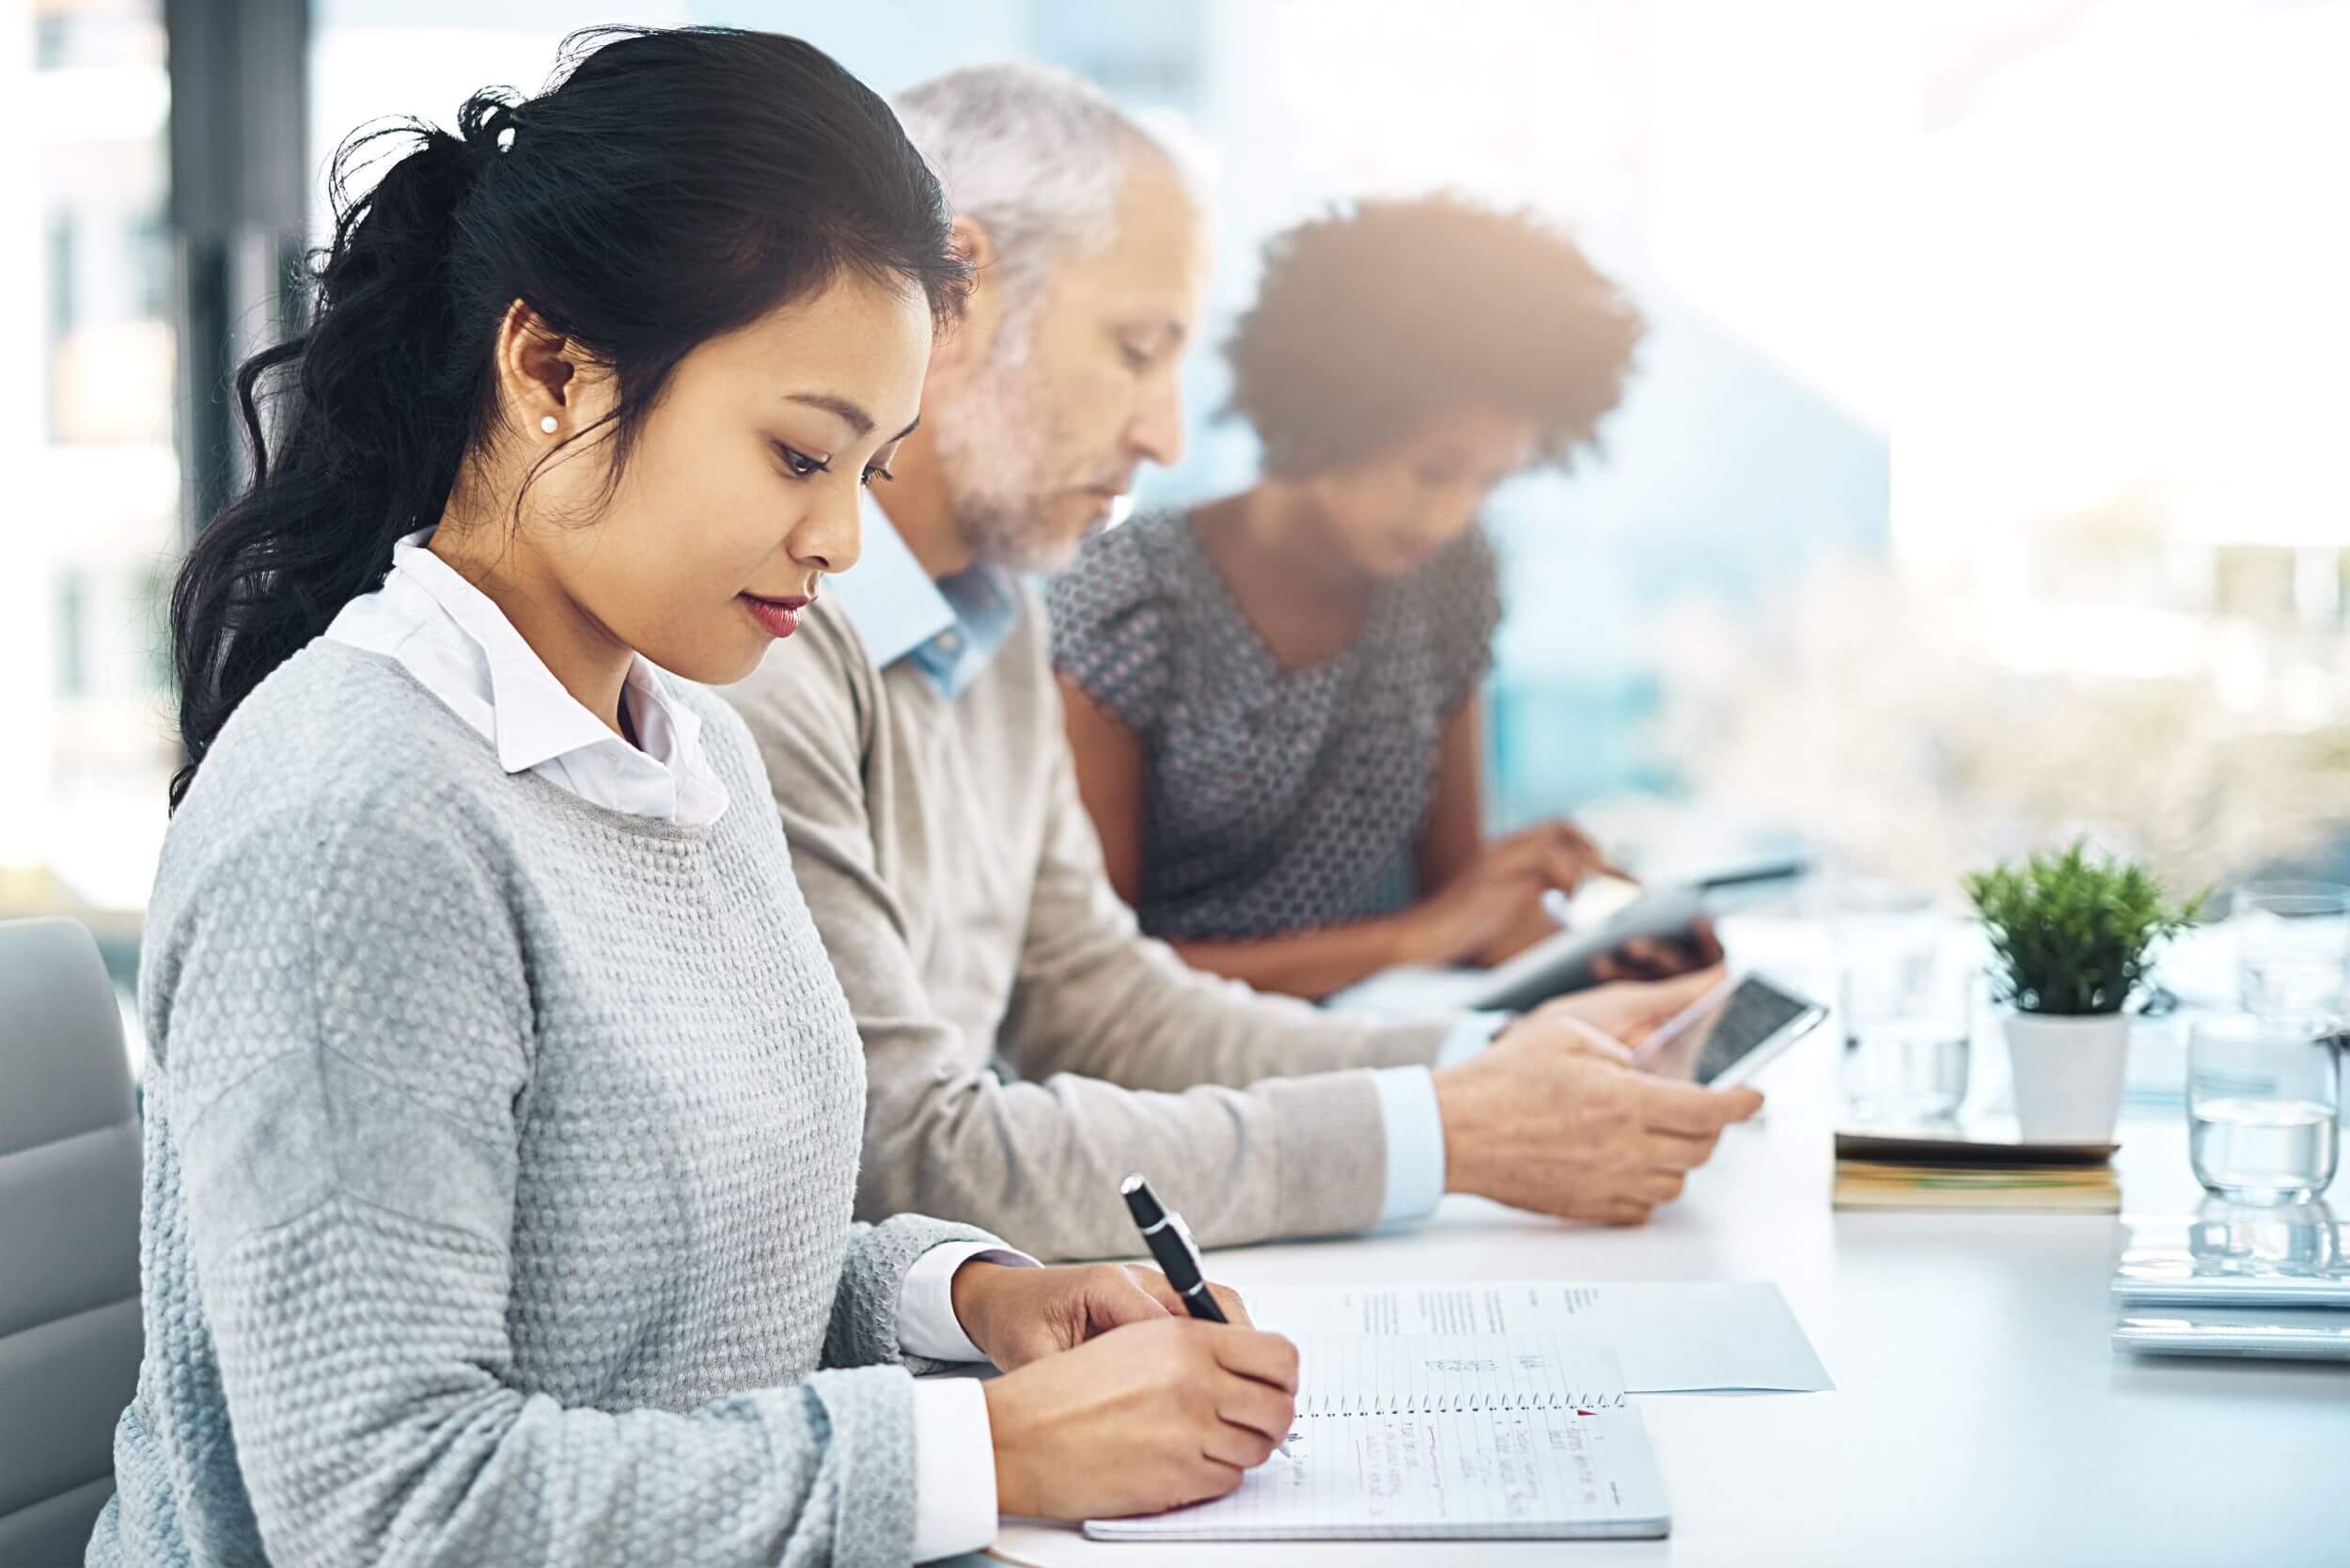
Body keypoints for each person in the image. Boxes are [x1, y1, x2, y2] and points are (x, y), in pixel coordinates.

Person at [92, 31, 1303, 1568]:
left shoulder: (689, 743)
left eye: (866, 471)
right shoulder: (361, 823)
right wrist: (988, 1450)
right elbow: (390, 1504)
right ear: (549, 368)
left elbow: (677, 1284)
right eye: (799, 451)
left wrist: (972, 1294)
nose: (839, 541)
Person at [721, 65, 1761, 1265]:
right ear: (955, 295)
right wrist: (1444, 1131)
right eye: (1134, 347)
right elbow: (893, 1147)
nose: (1165, 434)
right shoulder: (761, 648)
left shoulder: (999, 619)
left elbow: (1097, 996)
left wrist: (1494, 1065)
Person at [1050, 195, 1680, 1003]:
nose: (1452, 516)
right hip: (1182, 1089)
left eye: (1488, 481)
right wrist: (1412, 939)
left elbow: (1452, 901)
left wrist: (1592, 947)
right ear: (1328, 418)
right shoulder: (1129, 591)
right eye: (1432, 472)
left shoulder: (1449, 578)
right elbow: (1089, 982)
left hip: (1396, 1043)